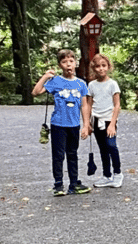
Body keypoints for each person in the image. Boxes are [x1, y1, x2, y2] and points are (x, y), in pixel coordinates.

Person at [32, 49, 92, 196]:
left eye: (71, 61)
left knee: (73, 154)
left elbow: (84, 105)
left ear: (76, 63)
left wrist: (86, 125)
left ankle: (73, 183)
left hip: (74, 124)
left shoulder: (81, 84)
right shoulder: (55, 81)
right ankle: (58, 184)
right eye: (64, 62)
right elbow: (36, 92)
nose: (68, 65)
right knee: (58, 155)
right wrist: (45, 76)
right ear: (60, 65)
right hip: (58, 124)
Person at [86, 53, 123, 188]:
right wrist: (87, 123)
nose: (101, 69)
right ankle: (106, 175)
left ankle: (118, 173)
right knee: (102, 148)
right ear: (93, 68)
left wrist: (112, 123)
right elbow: (88, 104)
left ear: (108, 67)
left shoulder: (112, 84)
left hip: (109, 120)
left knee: (111, 146)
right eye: (97, 66)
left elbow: (117, 105)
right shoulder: (91, 85)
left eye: (103, 66)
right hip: (96, 120)